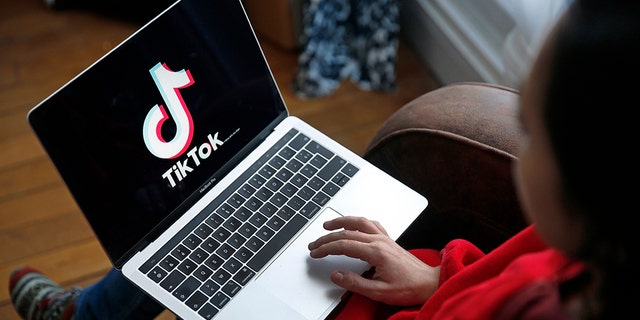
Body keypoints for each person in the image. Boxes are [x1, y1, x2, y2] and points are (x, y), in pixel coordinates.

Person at [9, 0, 639, 319]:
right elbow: (497, 278)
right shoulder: (588, 248)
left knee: (197, 230)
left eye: (528, 128)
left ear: (590, 184)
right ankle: (89, 310)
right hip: (403, 287)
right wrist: (439, 277)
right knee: (217, 198)